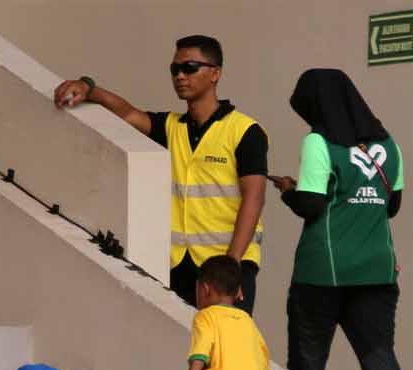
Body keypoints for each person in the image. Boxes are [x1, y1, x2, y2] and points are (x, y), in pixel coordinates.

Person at [54, 35, 267, 312]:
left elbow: (254, 198)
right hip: (180, 265)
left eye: (190, 67)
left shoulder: (244, 131)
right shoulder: (171, 126)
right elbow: (129, 115)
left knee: (225, 350)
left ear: (215, 73)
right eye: (174, 69)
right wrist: (89, 88)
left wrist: (232, 262)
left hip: (227, 265)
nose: (180, 75)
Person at [271, 69, 413, 370]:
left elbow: (313, 204)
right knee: (380, 362)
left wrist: (289, 192)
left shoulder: (319, 142)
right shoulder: (388, 144)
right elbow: (393, 206)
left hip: (323, 273)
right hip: (377, 273)